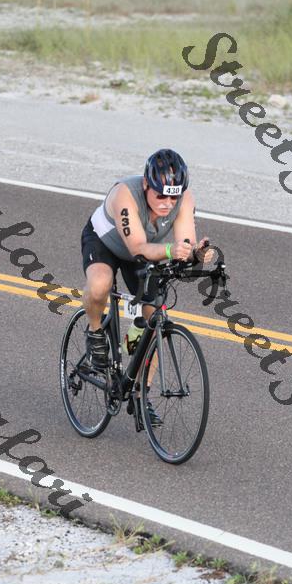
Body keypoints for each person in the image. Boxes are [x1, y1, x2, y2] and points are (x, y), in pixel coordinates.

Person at [81, 148, 214, 426]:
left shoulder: (184, 199)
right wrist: (171, 250)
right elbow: (138, 247)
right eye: (160, 195)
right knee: (101, 284)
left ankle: (141, 395)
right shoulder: (125, 194)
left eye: (173, 197)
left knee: (154, 319)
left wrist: (196, 254)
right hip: (107, 243)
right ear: (146, 184)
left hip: (145, 253)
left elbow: (185, 245)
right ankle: (94, 332)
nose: (168, 203)